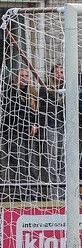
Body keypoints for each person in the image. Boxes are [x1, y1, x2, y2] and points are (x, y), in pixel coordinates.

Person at [0, 68, 41, 201]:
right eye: (21, 75)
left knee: (32, 163)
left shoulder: (31, 92)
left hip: (29, 134)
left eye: (26, 76)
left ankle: (32, 192)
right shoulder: (9, 92)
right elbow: (11, 113)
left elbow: (35, 112)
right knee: (19, 164)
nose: (24, 78)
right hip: (14, 133)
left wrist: (34, 124)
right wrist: (26, 124)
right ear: (15, 78)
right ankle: (21, 194)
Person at [38, 64, 66, 200]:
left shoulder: (65, 89)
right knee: (52, 161)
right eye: (58, 72)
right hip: (49, 126)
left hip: (62, 126)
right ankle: (52, 194)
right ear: (52, 73)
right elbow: (42, 109)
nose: (60, 74)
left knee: (62, 160)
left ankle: (62, 192)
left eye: (62, 72)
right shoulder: (44, 89)